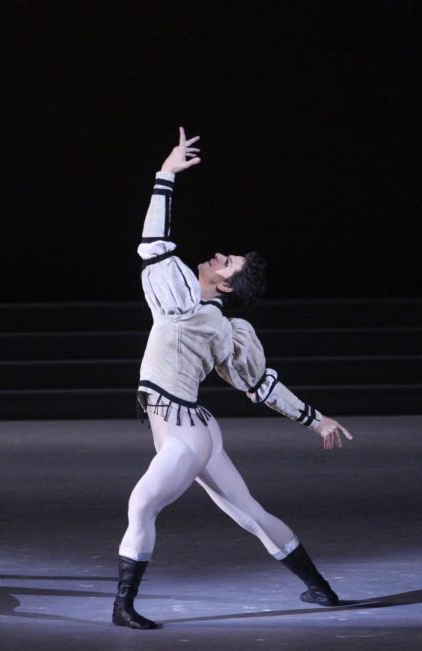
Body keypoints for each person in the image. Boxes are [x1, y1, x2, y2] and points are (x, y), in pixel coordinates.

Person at [113, 128, 354, 630]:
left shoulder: (188, 302)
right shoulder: (221, 325)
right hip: (195, 429)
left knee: (142, 504)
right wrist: (315, 419)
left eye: (226, 262)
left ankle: (123, 606)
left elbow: (152, 244)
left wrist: (165, 175)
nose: (218, 255)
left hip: (185, 434)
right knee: (249, 513)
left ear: (224, 283)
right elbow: (260, 385)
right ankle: (321, 589)